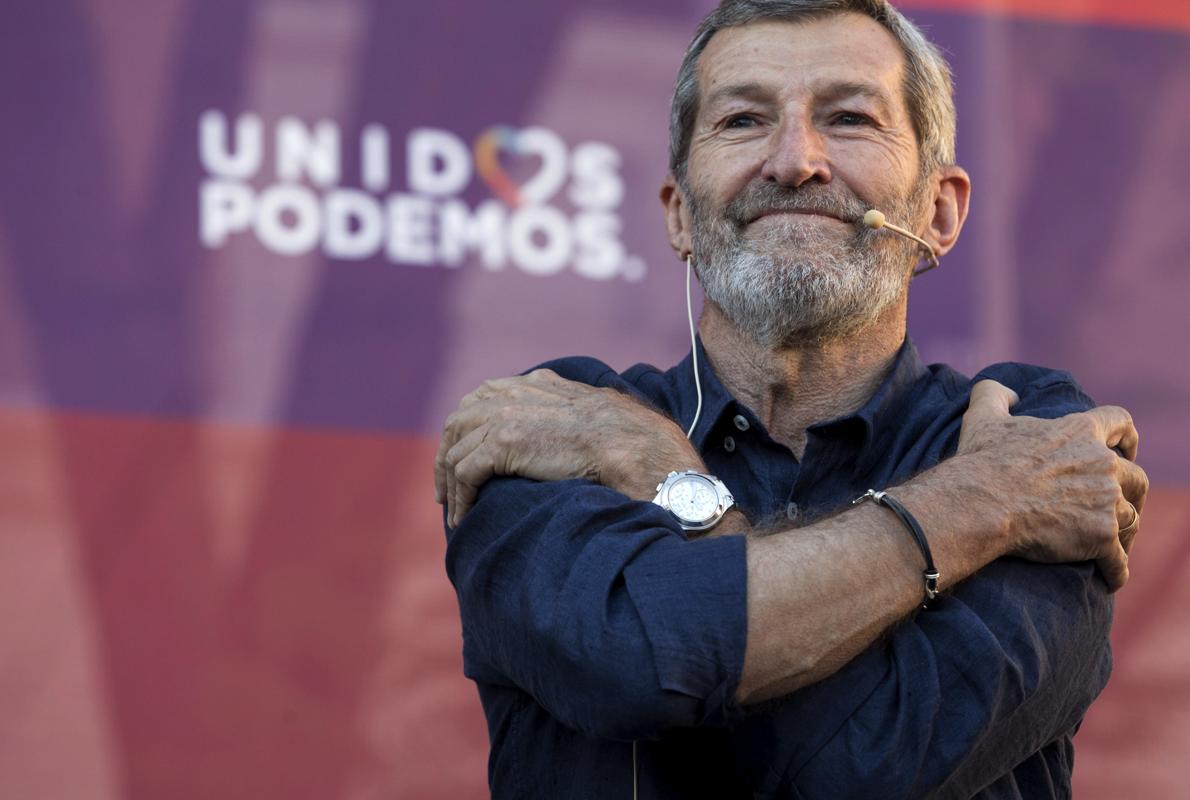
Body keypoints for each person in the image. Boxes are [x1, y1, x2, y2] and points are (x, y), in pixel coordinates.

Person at [436, 1, 1149, 797]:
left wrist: (656, 469)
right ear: (678, 214)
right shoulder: (554, 430)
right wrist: (981, 504)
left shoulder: (1036, 433)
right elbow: (648, 661)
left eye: (849, 118)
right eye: (743, 120)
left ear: (940, 212)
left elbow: (867, 770)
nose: (794, 161)